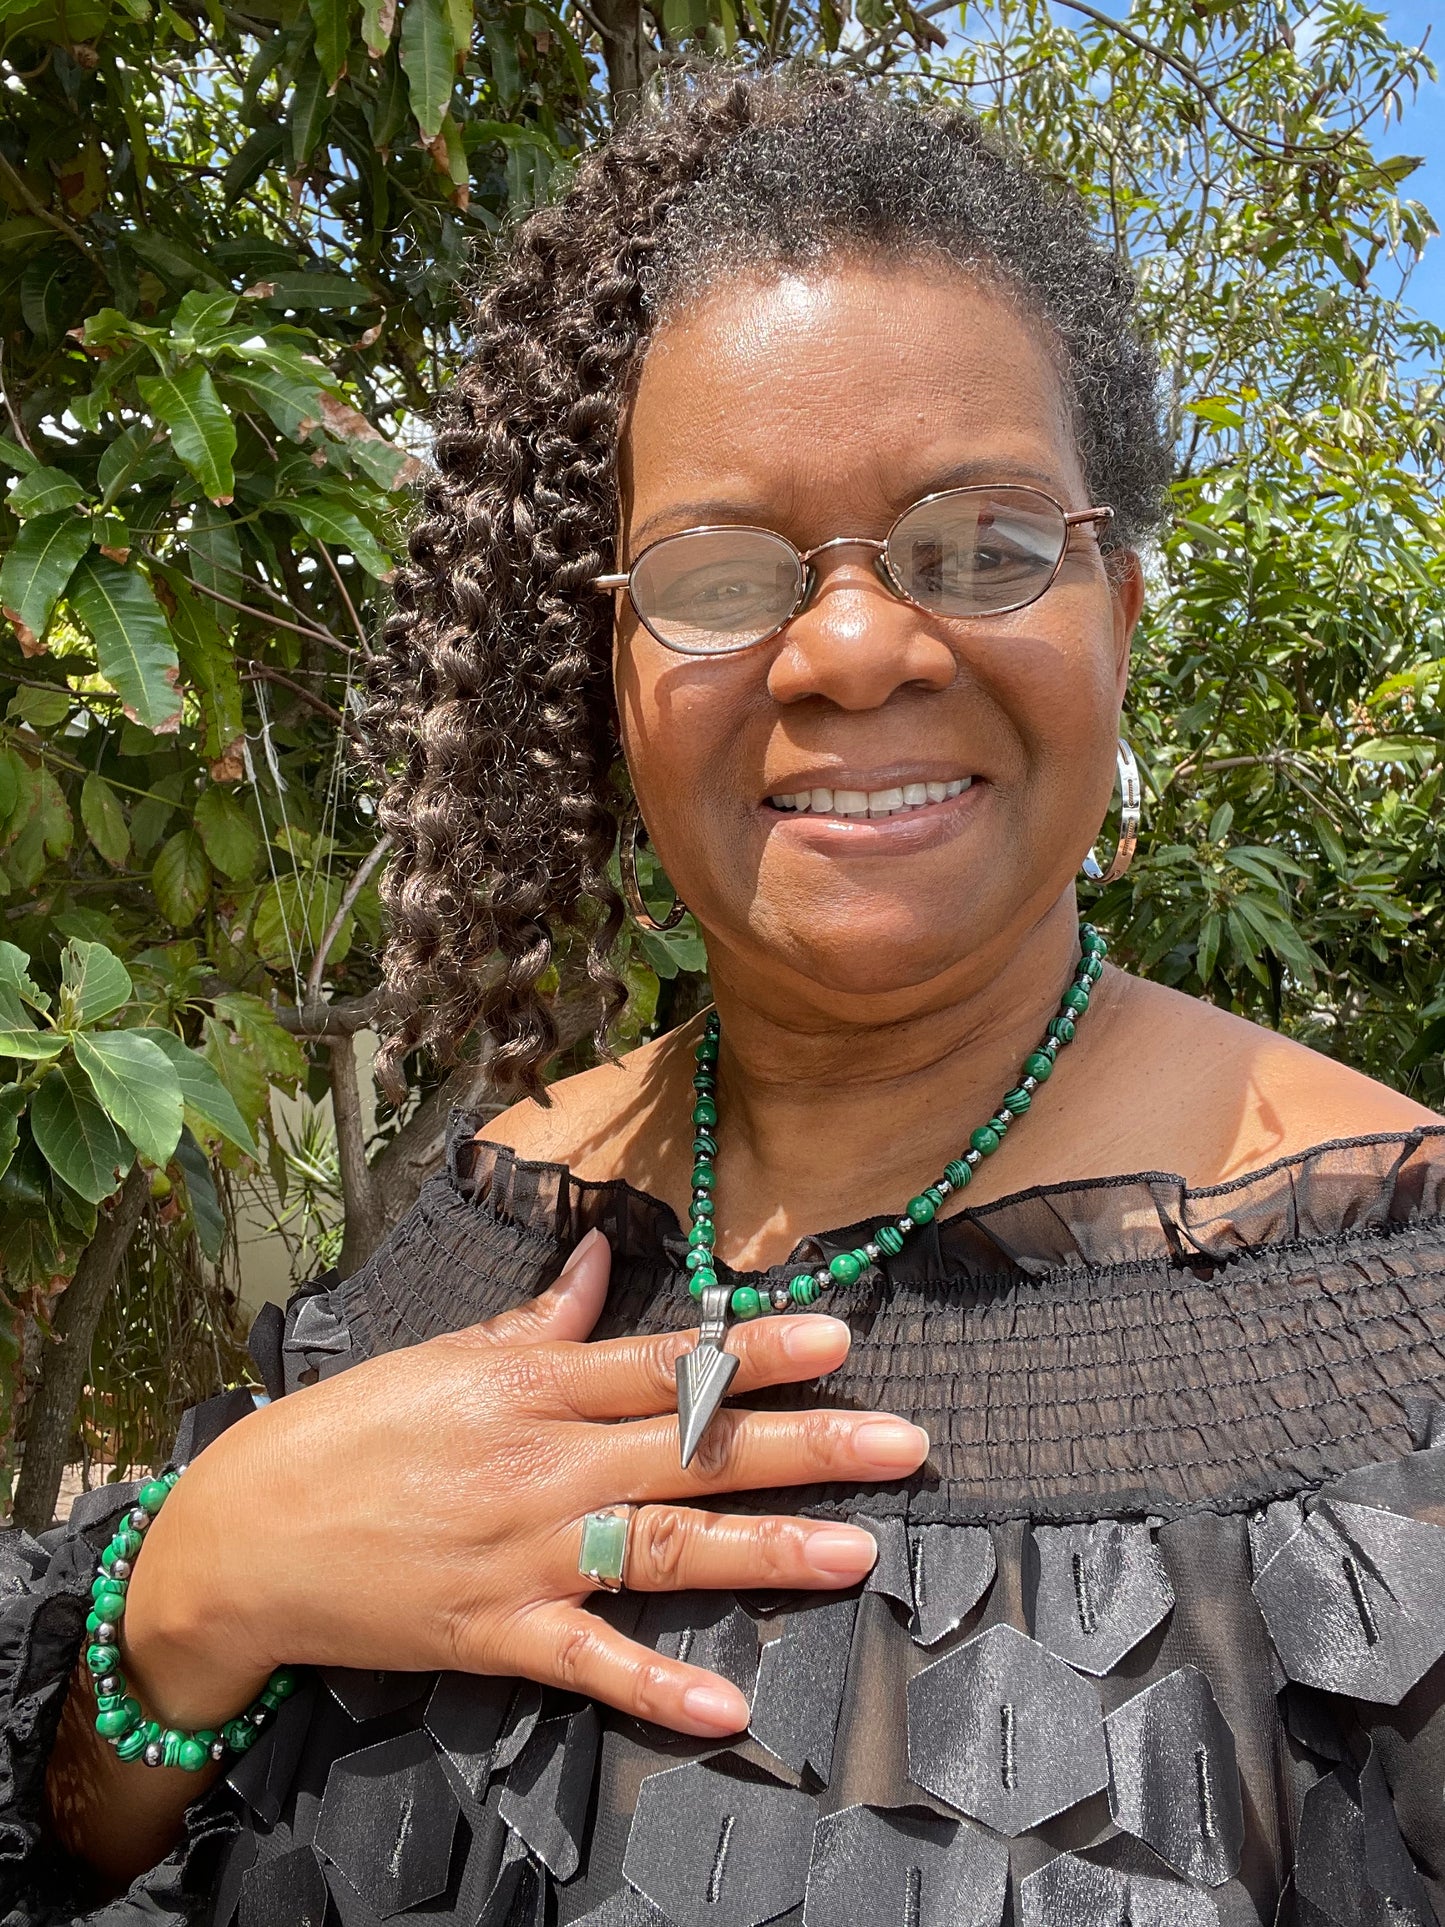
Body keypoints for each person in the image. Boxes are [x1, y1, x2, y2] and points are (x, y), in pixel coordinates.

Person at [7, 66, 1445, 1927]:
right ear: (606, 670)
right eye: (720, 573)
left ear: (1122, 611)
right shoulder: (473, 1234)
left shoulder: (1389, 1324)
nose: (850, 648)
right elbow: (92, 1854)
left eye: (984, 544)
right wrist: (185, 1592)